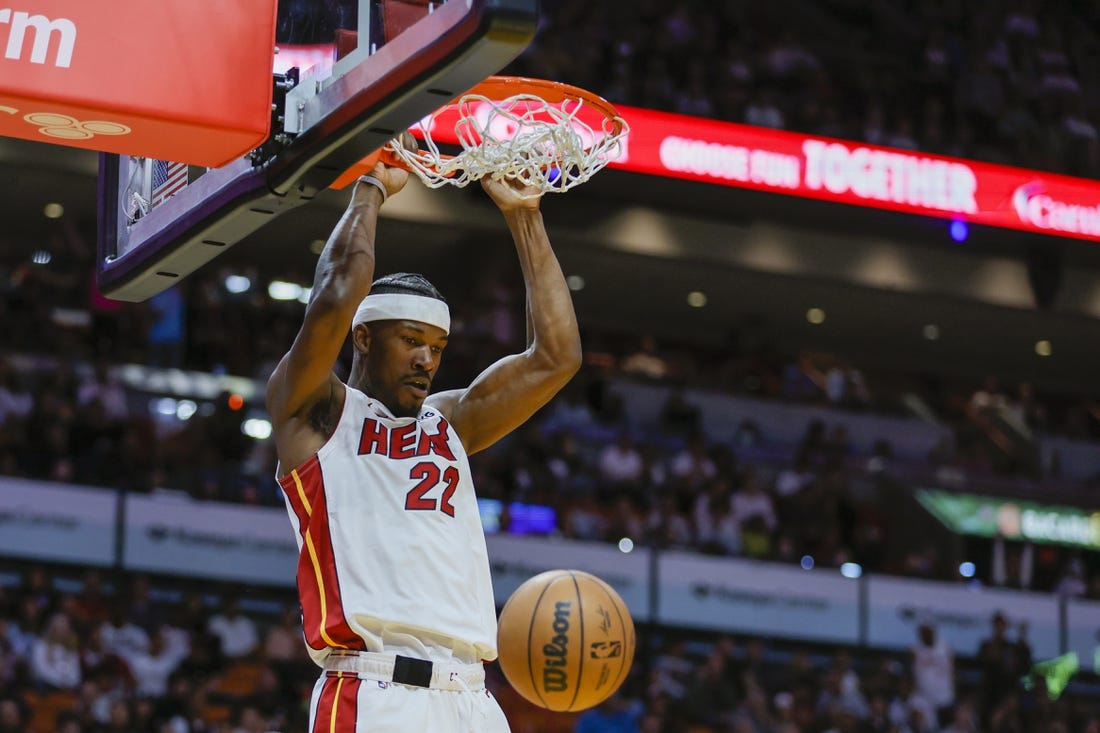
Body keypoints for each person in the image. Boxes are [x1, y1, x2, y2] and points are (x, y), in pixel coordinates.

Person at [265, 135, 581, 733]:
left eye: (436, 348)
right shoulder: (316, 414)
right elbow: (336, 292)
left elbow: (556, 357)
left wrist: (525, 216)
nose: (426, 361)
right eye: (410, 340)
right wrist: (370, 190)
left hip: (471, 699)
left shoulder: (450, 422)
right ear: (364, 338)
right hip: (373, 689)